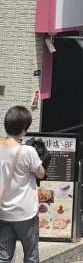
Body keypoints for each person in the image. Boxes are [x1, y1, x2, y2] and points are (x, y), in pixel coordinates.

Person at [0, 106, 46, 263]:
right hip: (25, 213)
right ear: (24, 129)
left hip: (3, 212)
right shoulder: (28, 151)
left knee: (3, 256)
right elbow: (41, 173)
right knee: (31, 255)